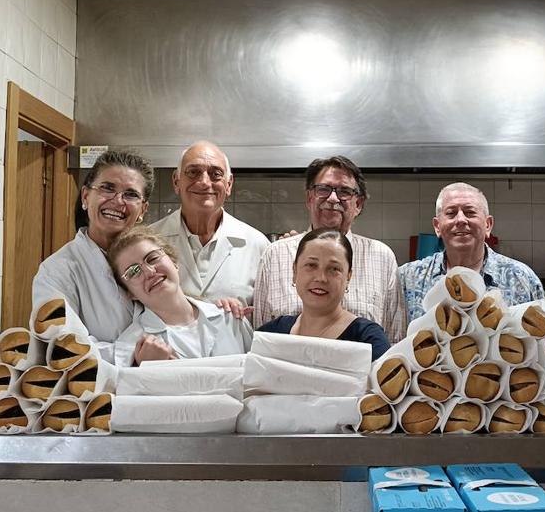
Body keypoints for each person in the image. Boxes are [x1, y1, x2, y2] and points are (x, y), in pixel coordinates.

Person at [253, 156, 406, 341]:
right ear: (310, 198)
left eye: (344, 191)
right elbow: (261, 340)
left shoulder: (382, 257)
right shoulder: (275, 255)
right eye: (323, 189)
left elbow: (396, 342)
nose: (333, 198)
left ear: (358, 204)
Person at [31, 149, 153, 346]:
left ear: (142, 210)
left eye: (130, 194)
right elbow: (65, 346)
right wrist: (133, 353)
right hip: (94, 377)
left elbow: (176, 317)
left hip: (153, 374)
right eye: (107, 188)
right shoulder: (56, 271)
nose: (117, 201)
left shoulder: (155, 262)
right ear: (86, 197)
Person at [150, 141, 269, 315]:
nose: (205, 182)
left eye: (216, 174)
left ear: (228, 185)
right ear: (176, 182)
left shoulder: (257, 245)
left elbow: (264, 321)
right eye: (193, 172)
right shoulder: (150, 240)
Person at [398, 182, 544, 321]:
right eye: (451, 213)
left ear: (488, 225)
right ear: (437, 227)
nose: (461, 220)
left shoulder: (522, 279)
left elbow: (542, 342)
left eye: (470, 212)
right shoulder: (408, 279)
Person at [108, 227, 253, 365]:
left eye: (152, 259)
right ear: (130, 293)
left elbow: (261, 376)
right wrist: (148, 371)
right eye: (133, 272)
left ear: (174, 262)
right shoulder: (131, 345)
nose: (149, 271)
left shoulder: (230, 317)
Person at [258, 228, 391, 360]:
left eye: (334, 269)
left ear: (348, 277)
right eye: (311, 265)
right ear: (294, 271)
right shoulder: (271, 334)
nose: (321, 278)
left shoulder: (368, 339)